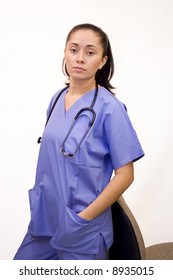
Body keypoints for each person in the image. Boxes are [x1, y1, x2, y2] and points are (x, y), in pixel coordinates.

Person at [14, 23, 144, 260]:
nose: (80, 58)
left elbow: (126, 175)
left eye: (90, 52)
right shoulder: (56, 99)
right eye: (74, 50)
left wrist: (83, 218)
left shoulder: (110, 109)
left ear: (102, 61)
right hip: (45, 222)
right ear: (65, 53)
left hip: (82, 228)